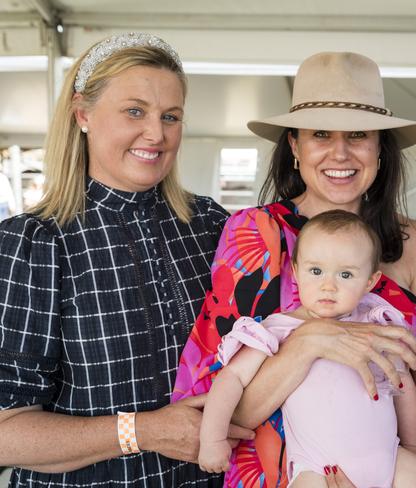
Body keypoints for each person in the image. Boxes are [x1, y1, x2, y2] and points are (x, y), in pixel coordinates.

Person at [173, 51, 416, 487]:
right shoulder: (254, 233)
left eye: (359, 134)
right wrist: (310, 342)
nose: (341, 151)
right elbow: (217, 404)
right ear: (295, 147)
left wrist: (399, 471)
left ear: (380, 148)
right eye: (320, 133)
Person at [0, 32, 254, 487]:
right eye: (134, 111)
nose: (156, 134)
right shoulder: (34, 243)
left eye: (170, 116)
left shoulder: (212, 225)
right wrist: (142, 430)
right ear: (83, 114)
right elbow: (7, 432)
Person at [198, 210, 416, 487]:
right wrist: (213, 438)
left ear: (370, 282)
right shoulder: (278, 329)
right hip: (317, 469)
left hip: (391, 460)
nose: (328, 285)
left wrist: (413, 448)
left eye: (345, 274)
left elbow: (402, 385)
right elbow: (231, 377)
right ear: (296, 272)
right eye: (316, 271)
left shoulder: (376, 325)